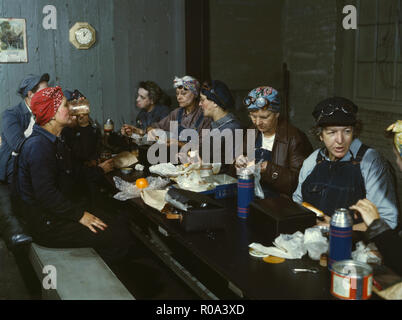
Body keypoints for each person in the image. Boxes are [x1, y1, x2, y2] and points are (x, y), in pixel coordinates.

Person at [12, 86, 132, 266]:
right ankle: (95, 283)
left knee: (120, 222)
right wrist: (80, 216)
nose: (71, 110)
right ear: (51, 113)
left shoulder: (54, 140)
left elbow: (76, 172)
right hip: (48, 225)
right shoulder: (38, 146)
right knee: (120, 237)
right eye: (66, 106)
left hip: (57, 215)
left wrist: (99, 170)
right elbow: (46, 195)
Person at [293, 97, 399, 231]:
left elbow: (388, 221)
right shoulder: (312, 161)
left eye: (347, 131)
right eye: (332, 132)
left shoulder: (371, 161)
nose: (340, 140)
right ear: (320, 135)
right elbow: (297, 204)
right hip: (313, 241)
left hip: (356, 246)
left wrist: (337, 228)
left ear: (354, 132)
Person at [235, 86, 313, 198]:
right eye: (253, 116)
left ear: (277, 114)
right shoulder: (251, 132)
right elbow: (238, 172)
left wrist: (268, 169)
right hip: (252, 195)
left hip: (280, 203)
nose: (257, 122)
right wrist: (238, 163)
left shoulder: (294, 138)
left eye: (264, 117)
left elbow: (298, 183)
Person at [0, 73, 49, 247]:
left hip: (35, 167)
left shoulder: (48, 113)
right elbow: (18, 145)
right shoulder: (10, 114)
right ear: (30, 94)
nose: (49, 95)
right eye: (45, 91)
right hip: (10, 169)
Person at [147, 76, 212, 148]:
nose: (179, 97)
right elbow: (156, 126)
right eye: (177, 94)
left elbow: (203, 148)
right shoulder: (176, 114)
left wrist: (179, 144)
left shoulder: (205, 116)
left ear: (195, 94)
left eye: (183, 93)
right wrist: (151, 130)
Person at [198, 80, 242, 167]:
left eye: (202, 100)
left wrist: (202, 163)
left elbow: (230, 167)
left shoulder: (232, 128)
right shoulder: (215, 125)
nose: (200, 104)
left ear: (215, 103)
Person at [61, 89, 102, 166]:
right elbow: (82, 155)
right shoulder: (65, 131)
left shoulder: (92, 127)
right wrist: (84, 126)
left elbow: (96, 149)